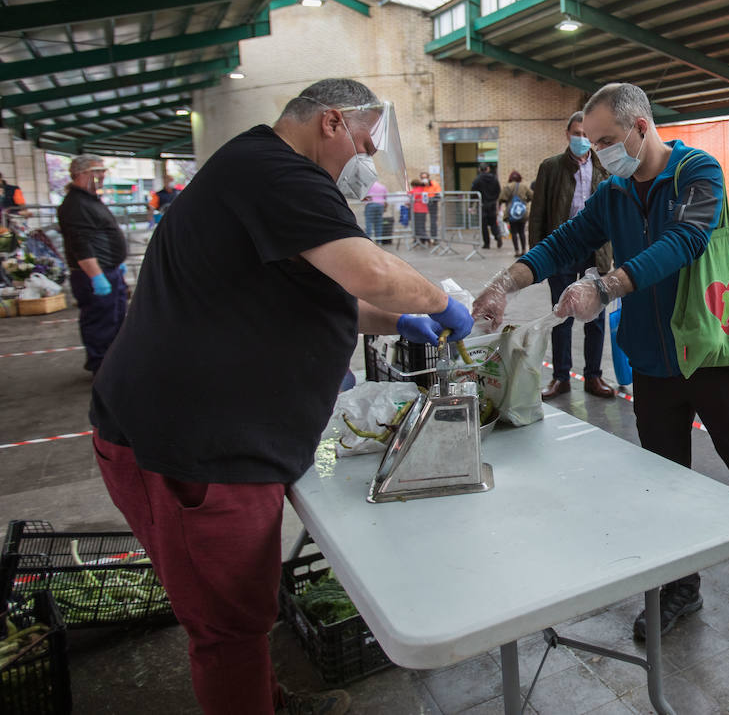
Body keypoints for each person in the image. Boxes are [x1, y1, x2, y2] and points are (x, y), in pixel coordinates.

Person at [88, 79, 473, 715]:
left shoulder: (256, 170)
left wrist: (394, 320)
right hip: (196, 449)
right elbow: (372, 272)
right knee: (228, 631)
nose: (367, 159)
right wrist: (439, 301)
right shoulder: (275, 171)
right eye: (365, 142)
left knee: (239, 616)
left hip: (203, 433)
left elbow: (320, 297)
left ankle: (268, 701)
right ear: (331, 123)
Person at [472, 83, 729, 641]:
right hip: (651, 361)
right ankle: (681, 588)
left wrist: (607, 286)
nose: (600, 155)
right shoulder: (614, 191)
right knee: (665, 481)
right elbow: (563, 241)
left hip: (710, 354)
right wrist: (504, 283)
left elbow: (684, 241)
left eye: (608, 141)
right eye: (592, 145)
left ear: (641, 127)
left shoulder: (698, 172)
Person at [529, 111, 615, 399]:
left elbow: (614, 214)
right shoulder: (551, 167)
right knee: (561, 315)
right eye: (576, 133)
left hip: (596, 250)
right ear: (567, 134)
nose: (581, 139)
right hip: (562, 250)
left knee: (596, 318)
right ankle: (560, 377)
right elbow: (538, 214)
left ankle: (593, 377)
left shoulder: (604, 166)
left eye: (585, 134)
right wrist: (537, 260)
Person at [56, 155, 129, 373]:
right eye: (96, 171)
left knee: (114, 319)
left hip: (109, 269)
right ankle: (102, 366)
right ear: (81, 174)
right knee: (101, 322)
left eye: (102, 171)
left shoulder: (89, 200)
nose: (102, 176)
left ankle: (113, 362)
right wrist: (96, 275)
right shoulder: (76, 205)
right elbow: (81, 243)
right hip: (95, 274)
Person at [499, 170, 533, 256]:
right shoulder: (524, 186)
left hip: (511, 213)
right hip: (522, 213)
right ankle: (524, 250)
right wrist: (525, 201)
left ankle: (517, 251)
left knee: (513, 232)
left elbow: (502, 199)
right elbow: (532, 196)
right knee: (522, 231)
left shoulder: (507, 187)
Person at [471, 164, 502, 249]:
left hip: (482, 204)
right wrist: (495, 200)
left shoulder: (477, 180)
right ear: (488, 169)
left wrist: (471, 205)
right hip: (492, 204)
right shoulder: (494, 179)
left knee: (483, 225)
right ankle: (497, 235)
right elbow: (498, 191)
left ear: (479, 169)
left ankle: (486, 243)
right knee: (493, 223)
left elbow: (473, 193)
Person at [418, 171, 441, 244]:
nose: (424, 179)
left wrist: (432, 199)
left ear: (428, 177)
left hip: (432, 203)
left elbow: (438, 194)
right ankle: (423, 238)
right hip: (422, 204)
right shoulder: (420, 185)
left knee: (433, 221)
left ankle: (434, 238)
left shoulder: (434, 183)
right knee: (421, 221)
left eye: (425, 177)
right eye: (422, 178)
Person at [409, 178, 430, 246]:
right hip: (424, 210)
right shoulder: (422, 189)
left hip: (417, 210)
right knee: (422, 225)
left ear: (414, 185)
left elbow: (411, 198)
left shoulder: (416, 190)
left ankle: (427, 239)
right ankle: (421, 240)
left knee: (418, 226)